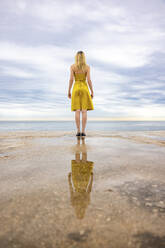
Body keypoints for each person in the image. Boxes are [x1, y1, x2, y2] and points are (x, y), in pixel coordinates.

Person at [68, 51, 94, 137]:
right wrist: (92, 91)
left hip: (75, 88)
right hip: (84, 88)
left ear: (76, 57)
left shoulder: (72, 67)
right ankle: (83, 131)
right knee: (84, 111)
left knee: (77, 111)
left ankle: (78, 131)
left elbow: (71, 79)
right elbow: (89, 80)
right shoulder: (87, 67)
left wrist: (69, 90)